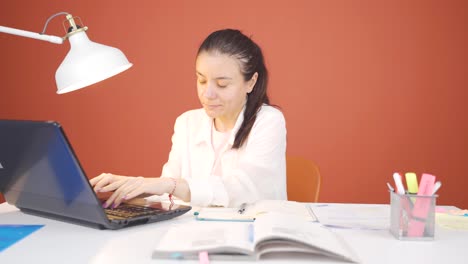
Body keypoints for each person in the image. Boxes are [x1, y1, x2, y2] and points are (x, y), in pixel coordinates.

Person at [90, 29, 287, 208]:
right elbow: (167, 196)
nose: (207, 94)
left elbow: (244, 188)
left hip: (252, 237)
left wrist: (170, 185)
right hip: (195, 238)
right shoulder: (187, 123)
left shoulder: (269, 121)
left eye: (222, 84)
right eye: (201, 80)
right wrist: (130, 188)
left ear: (250, 82)